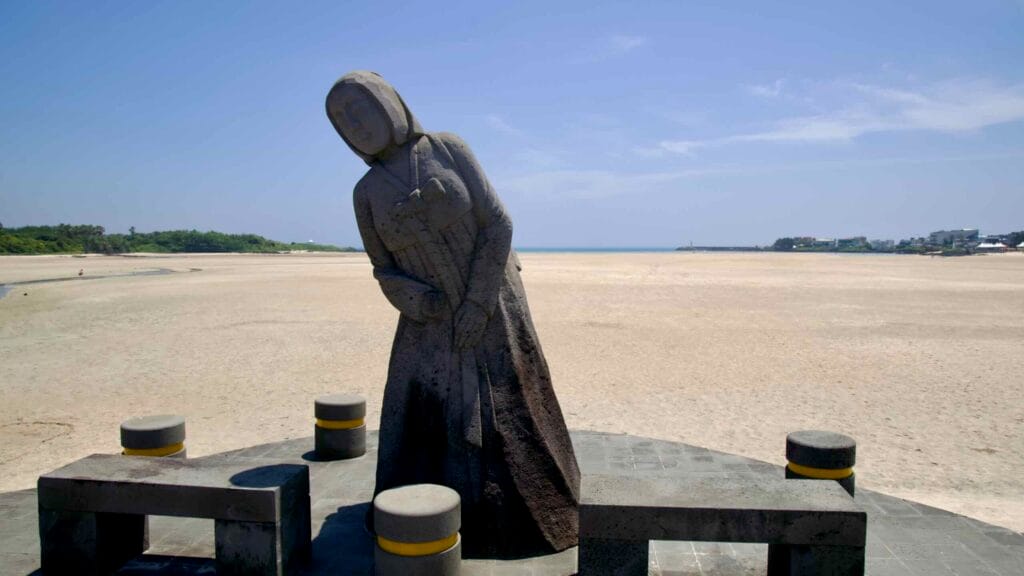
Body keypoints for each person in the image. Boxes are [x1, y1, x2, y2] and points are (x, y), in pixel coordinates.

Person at [326, 71, 579, 558]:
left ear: (390, 104)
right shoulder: (366, 193)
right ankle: (423, 518)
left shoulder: (447, 149)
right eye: (341, 119)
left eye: (360, 108)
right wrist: (421, 303)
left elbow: (498, 222)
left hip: (495, 306)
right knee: (425, 419)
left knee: (513, 410)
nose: (353, 123)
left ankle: (525, 518)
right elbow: (384, 269)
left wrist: (478, 303)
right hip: (428, 323)